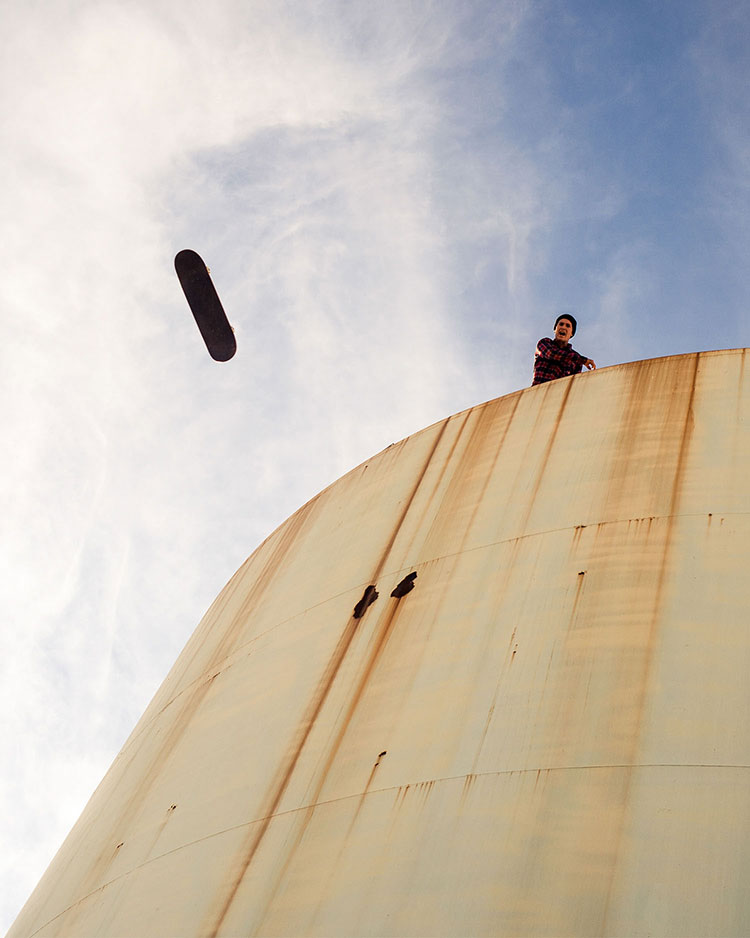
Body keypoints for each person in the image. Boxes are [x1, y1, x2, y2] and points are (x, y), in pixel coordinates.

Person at [532, 314, 596, 385]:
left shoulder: (576, 360)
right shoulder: (544, 342)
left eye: (568, 326)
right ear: (555, 329)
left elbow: (573, 383)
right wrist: (582, 360)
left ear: (571, 333)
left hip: (558, 394)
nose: (563, 327)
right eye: (561, 324)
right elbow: (551, 354)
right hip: (538, 390)